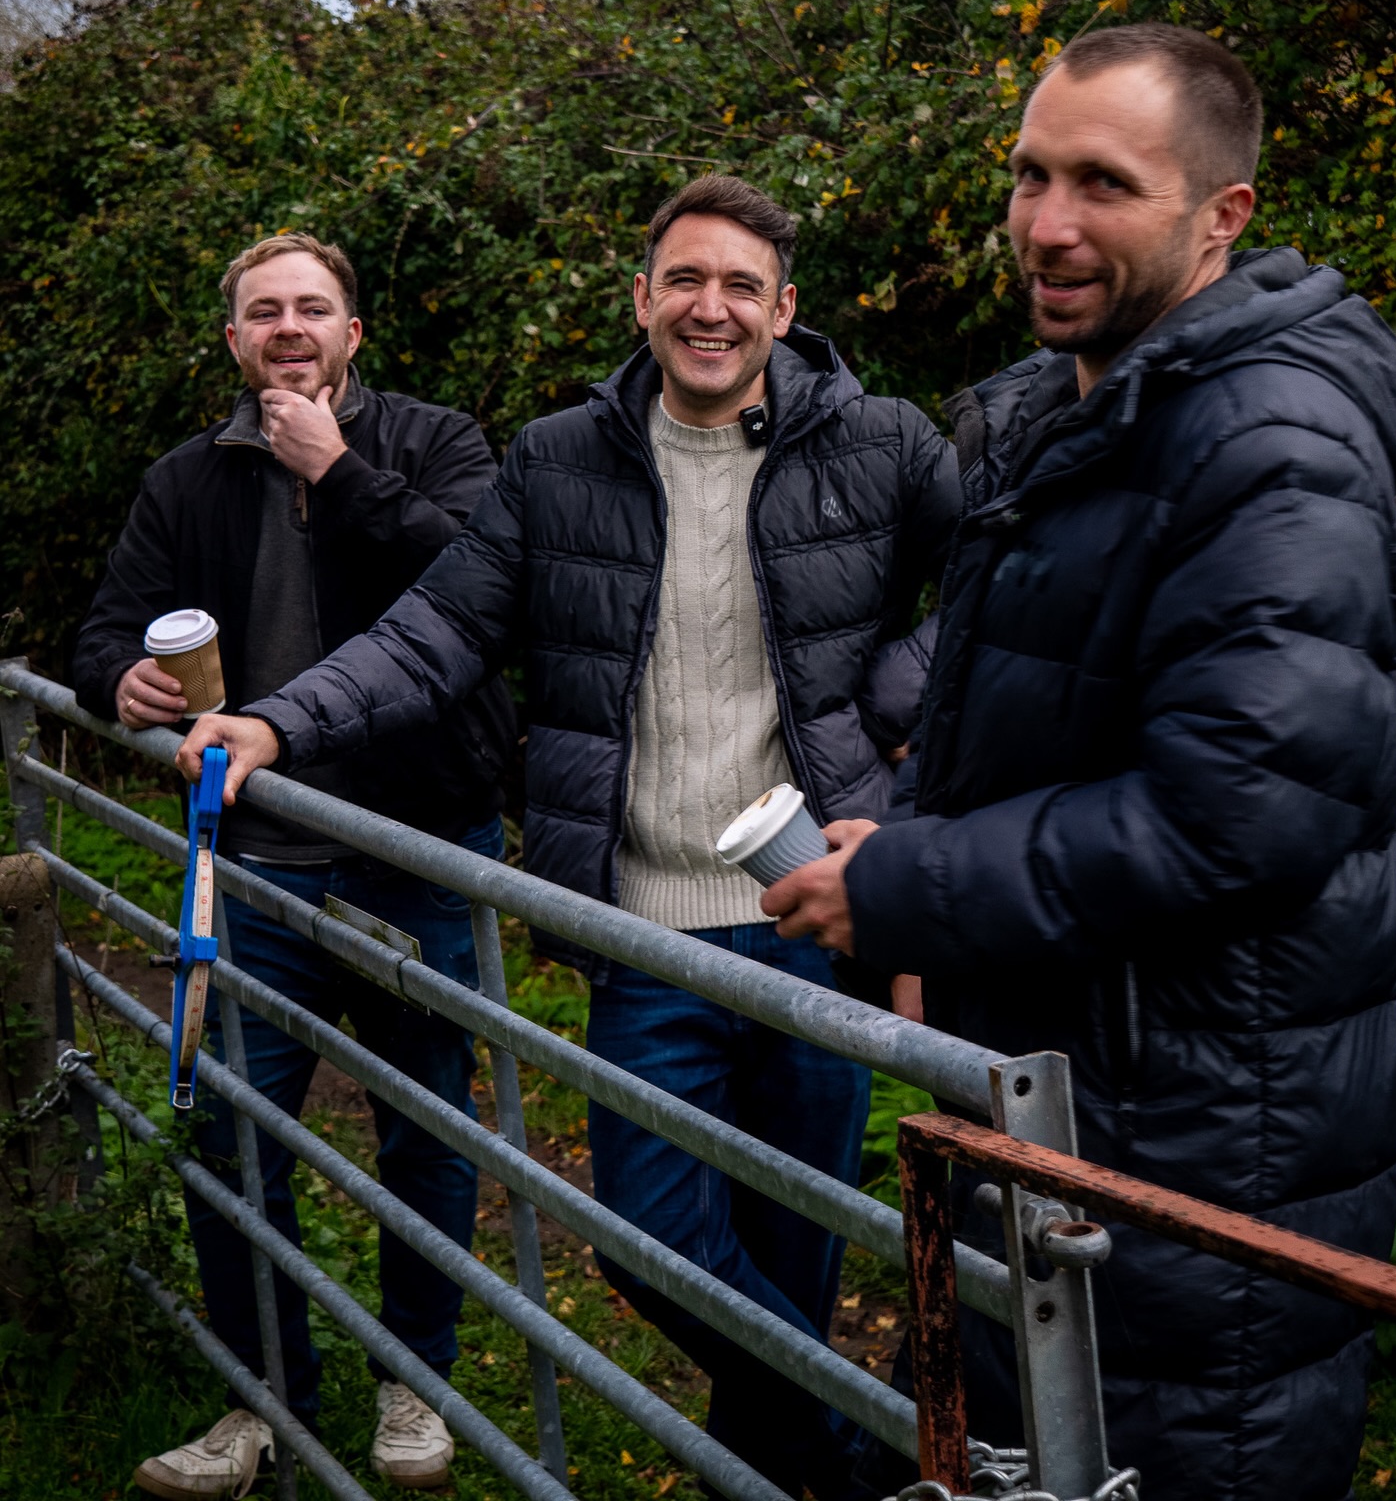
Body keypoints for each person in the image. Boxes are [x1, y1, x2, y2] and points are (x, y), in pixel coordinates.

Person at [175, 175, 963, 1500]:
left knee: (793, 1244)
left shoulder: (879, 442)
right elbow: (438, 632)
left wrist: (901, 715)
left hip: (809, 918)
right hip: (641, 925)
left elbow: (1002, 589)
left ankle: (771, 1476)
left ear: (785, 309)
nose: (709, 309)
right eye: (684, 281)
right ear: (643, 297)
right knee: (649, 1241)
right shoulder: (559, 459)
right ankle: (857, 1459)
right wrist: (277, 727)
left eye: (739, 287)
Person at [763, 24, 1396, 1501]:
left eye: (1105, 186)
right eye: (1029, 176)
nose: (1048, 226)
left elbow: (1239, 813)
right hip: (1080, 1093)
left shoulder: (1270, 440)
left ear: (1221, 214)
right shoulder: (1087, 404)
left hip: (1204, 1137)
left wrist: (919, 885)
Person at [73, 232, 517, 1495]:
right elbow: (104, 626)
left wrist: (344, 473)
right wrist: (124, 680)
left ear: (353, 334)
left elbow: (486, 596)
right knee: (235, 1134)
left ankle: (411, 1388)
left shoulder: (436, 445)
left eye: (311, 309)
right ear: (232, 340)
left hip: (416, 854)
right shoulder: (187, 479)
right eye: (262, 312)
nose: (287, 328)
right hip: (255, 865)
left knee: (423, 1128)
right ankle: (259, 1402)